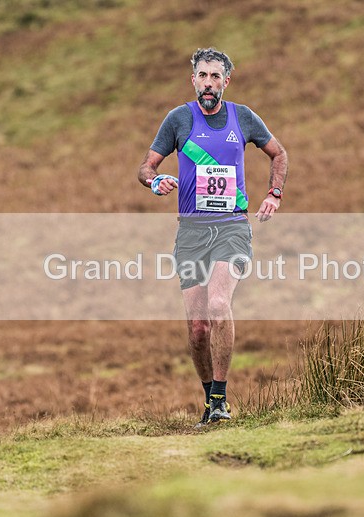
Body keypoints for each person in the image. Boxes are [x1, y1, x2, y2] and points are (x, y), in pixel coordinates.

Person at [137, 48, 288, 427]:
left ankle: (220, 400)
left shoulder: (243, 117)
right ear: (193, 80)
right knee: (198, 326)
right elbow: (146, 166)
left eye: (215, 77)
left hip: (232, 228)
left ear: (226, 81)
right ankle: (210, 400)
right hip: (190, 233)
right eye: (202, 76)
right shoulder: (178, 119)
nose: (208, 83)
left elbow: (279, 154)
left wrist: (273, 194)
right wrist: (155, 181)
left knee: (219, 305)